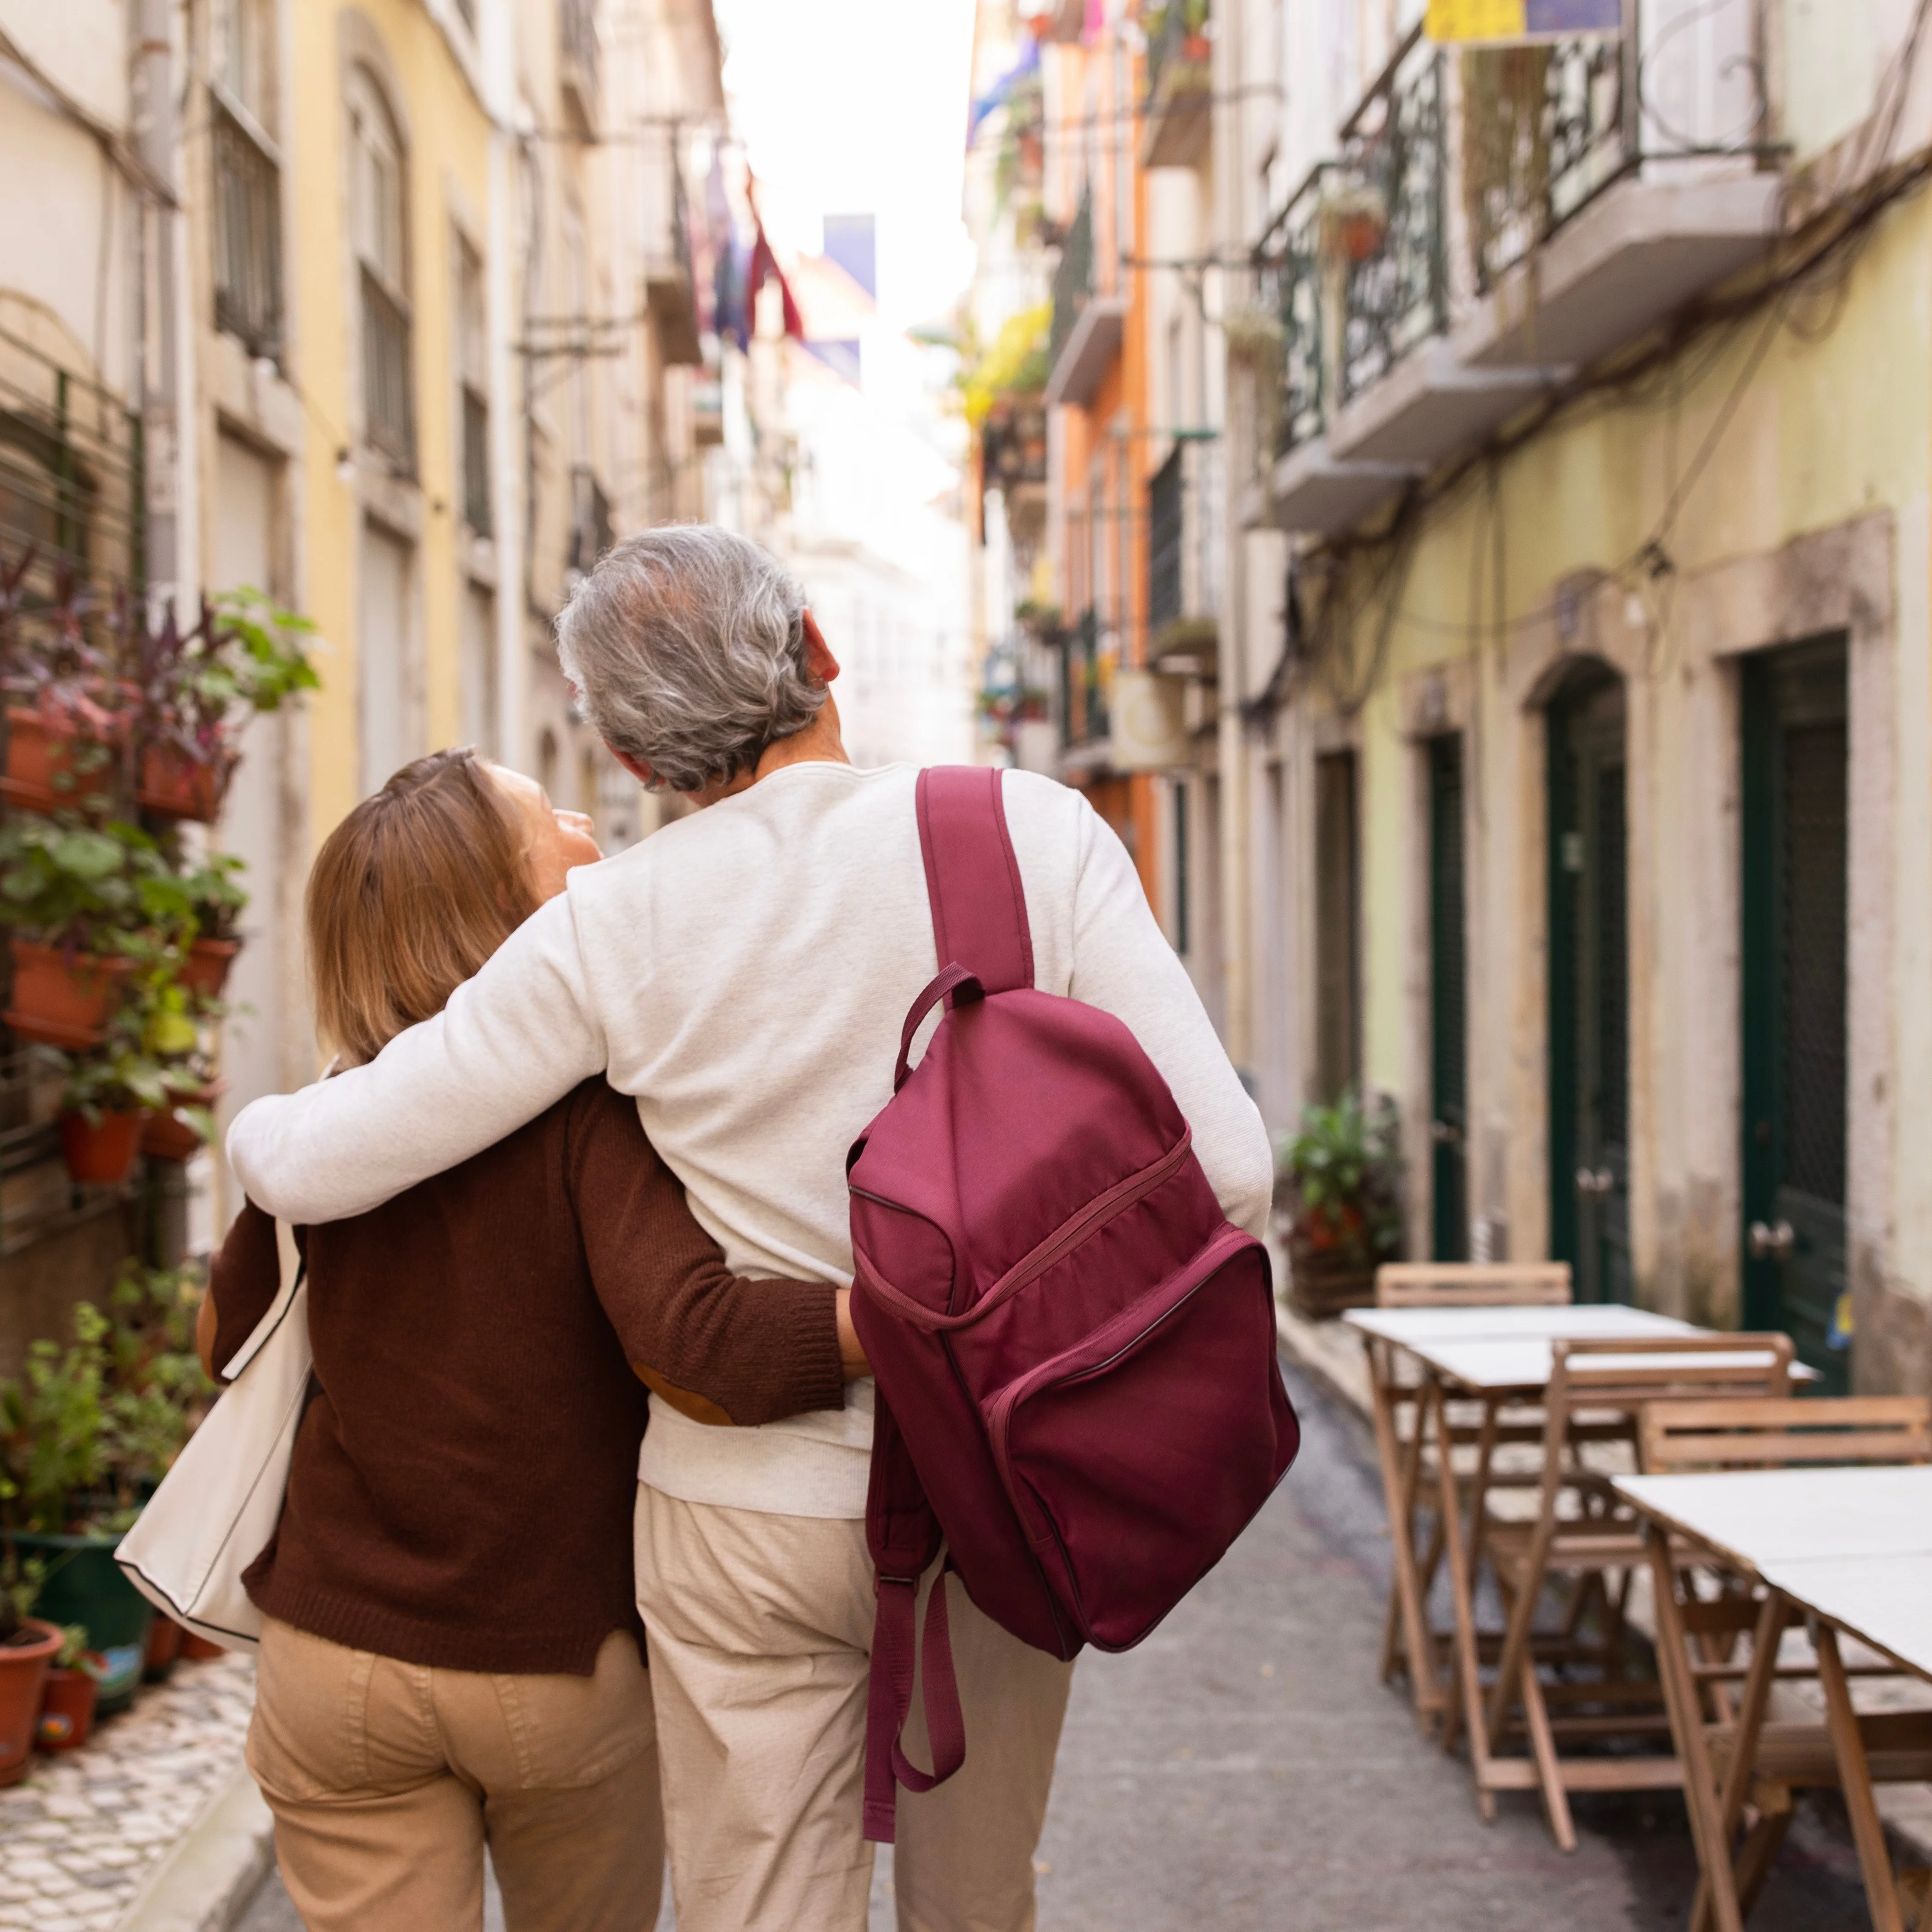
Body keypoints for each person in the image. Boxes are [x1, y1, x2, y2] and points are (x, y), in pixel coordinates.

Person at [228, 526, 1273, 1932]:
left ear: (639, 762)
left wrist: (251, 1134)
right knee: (977, 1907)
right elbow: (1225, 1175)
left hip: (739, 1508)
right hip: (1000, 1475)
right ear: (819, 650)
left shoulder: (610, 924)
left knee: (757, 1909)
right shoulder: (1028, 830)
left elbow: (340, 1152)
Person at [201, 746, 866, 1932]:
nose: (581, 821)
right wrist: (887, 1317)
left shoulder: (330, 1119)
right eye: (542, 819)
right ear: (507, 910)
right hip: (555, 1659)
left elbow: (223, 1339)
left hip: (330, 1653)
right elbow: (696, 1340)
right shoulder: (588, 1115)